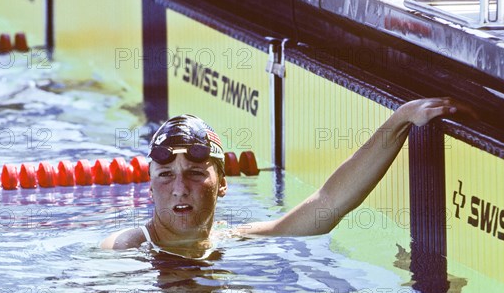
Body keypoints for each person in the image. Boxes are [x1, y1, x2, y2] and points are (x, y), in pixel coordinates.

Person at [101, 97, 460, 257]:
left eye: (196, 173)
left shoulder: (233, 240)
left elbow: (328, 204)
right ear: (149, 187)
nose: (180, 188)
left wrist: (399, 120)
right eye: (165, 175)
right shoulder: (126, 248)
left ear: (222, 183)